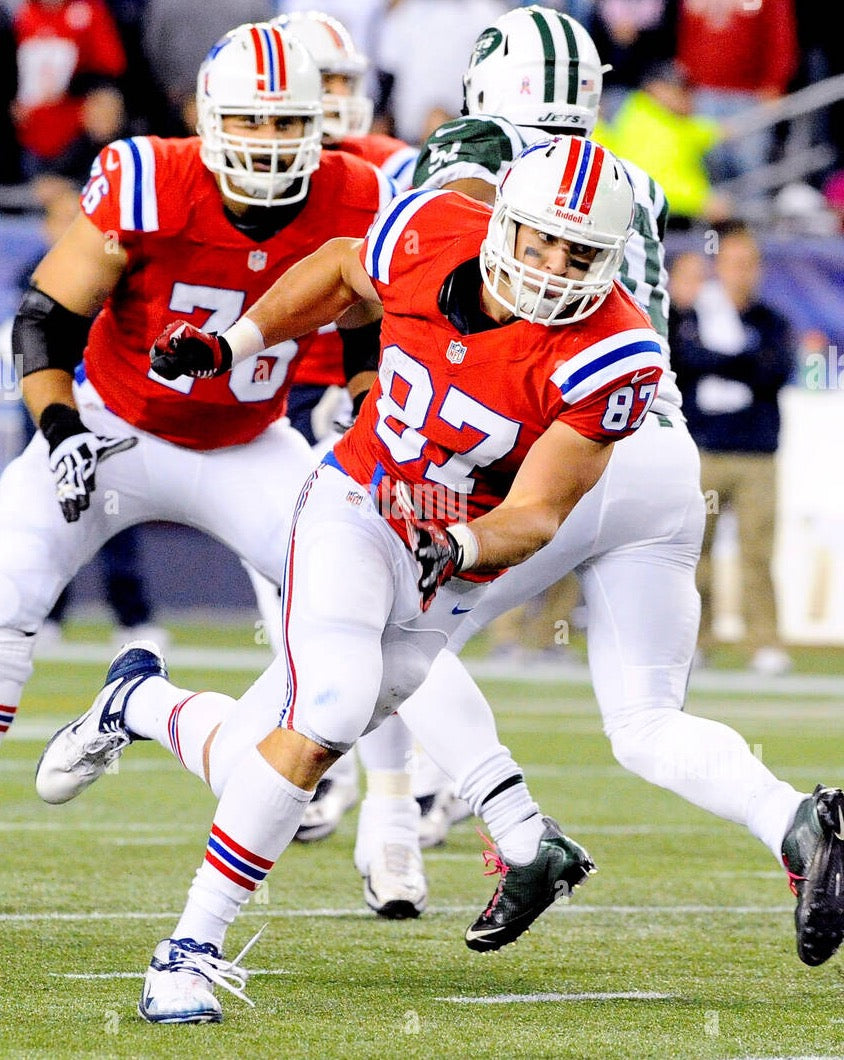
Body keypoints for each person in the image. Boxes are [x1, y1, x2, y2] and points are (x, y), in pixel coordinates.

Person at [37, 133, 663, 1023]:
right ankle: (187, 951)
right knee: (331, 704)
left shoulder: (611, 357)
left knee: (267, 763)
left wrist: (462, 549)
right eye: (542, 240)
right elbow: (339, 269)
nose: (558, 267)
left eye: (583, 252)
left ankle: (139, 706)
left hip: (453, 556)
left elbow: (540, 513)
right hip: (357, 501)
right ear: (504, 225)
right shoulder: (432, 228)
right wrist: (235, 341)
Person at [384, 2, 843, 968]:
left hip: (566, 442)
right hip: (660, 450)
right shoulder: (624, 173)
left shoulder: (475, 147)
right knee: (645, 722)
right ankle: (797, 822)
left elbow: (433, 257)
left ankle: (517, 833)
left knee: (394, 637)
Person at [0, 21, 394, 747]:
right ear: (207, 118)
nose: (268, 138)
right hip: (114, 424)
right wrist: (63, 432)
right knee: (6, 591)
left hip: (250, 444)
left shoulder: (355, 195)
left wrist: (365, 405)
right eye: (249, 117)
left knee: (373, 609)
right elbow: (45, 323)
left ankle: (415, 808)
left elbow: (366, 326)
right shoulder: (150, 181)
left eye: (285, 120)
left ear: (318, 126)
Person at [669, 222, 797, 675]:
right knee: (692, 552)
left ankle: (764, 642)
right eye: (734, 262)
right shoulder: (691, 316)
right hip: (704, 449)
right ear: (717, 265)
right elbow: (684, 362)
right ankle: (696, 641)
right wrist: (738, 361)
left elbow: (775, 371)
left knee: (757, 552)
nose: (744, 272)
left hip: (757, 453)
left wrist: (719, 362)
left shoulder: (771, 321)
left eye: (751, 263)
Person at [11, 0, 128, 184]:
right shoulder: (21, 15)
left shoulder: (89, 12)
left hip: (77, 138)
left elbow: (112, 68)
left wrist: (80, 89)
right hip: (28, 137)